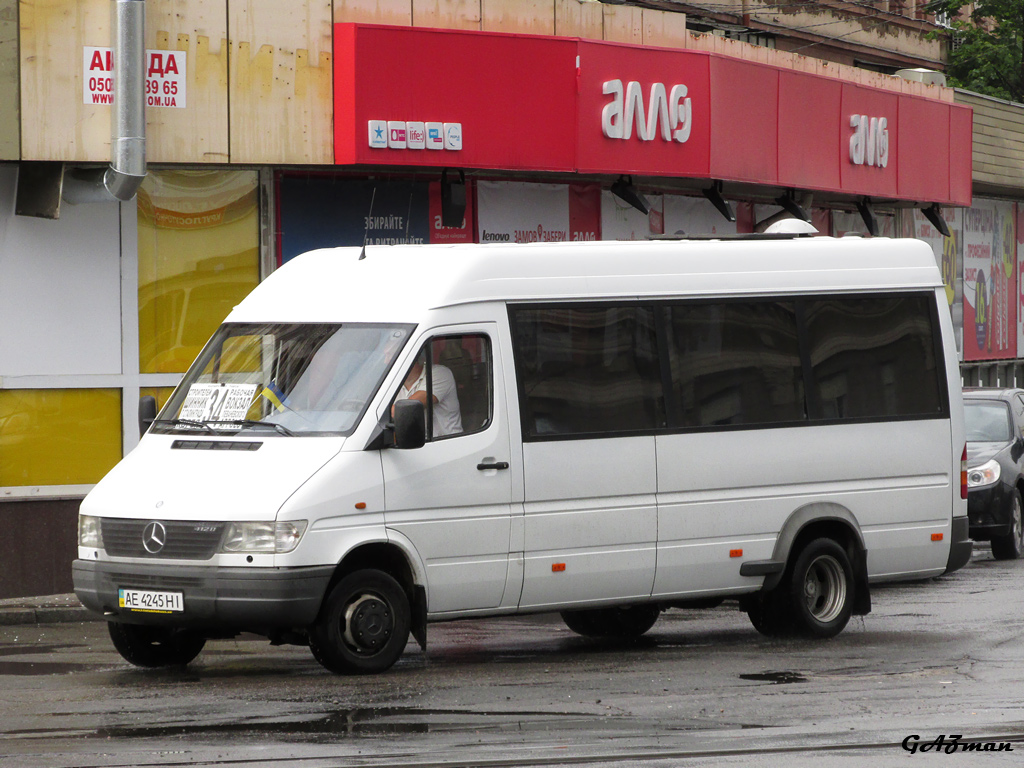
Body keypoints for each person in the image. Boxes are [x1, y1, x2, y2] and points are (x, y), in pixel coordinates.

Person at [397, 354, 462, 437]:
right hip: (415, 445)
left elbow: (406, 411)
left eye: (389, 356)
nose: (385, 362)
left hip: (446, 444)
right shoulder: (392, 382)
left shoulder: (440, 373)